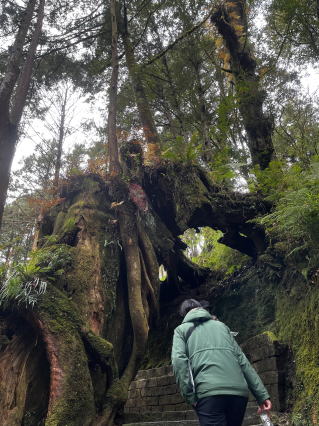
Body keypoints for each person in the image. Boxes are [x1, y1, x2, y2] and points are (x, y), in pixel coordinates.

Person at [171, 299, 272, 426]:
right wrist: (262, 396)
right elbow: (242, 361)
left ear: (183, 314)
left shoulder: (181, 330)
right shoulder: (222, 327)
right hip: (238, 395)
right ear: (201, 308)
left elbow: (178, 361)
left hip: (209, 394)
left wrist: (190, 397)